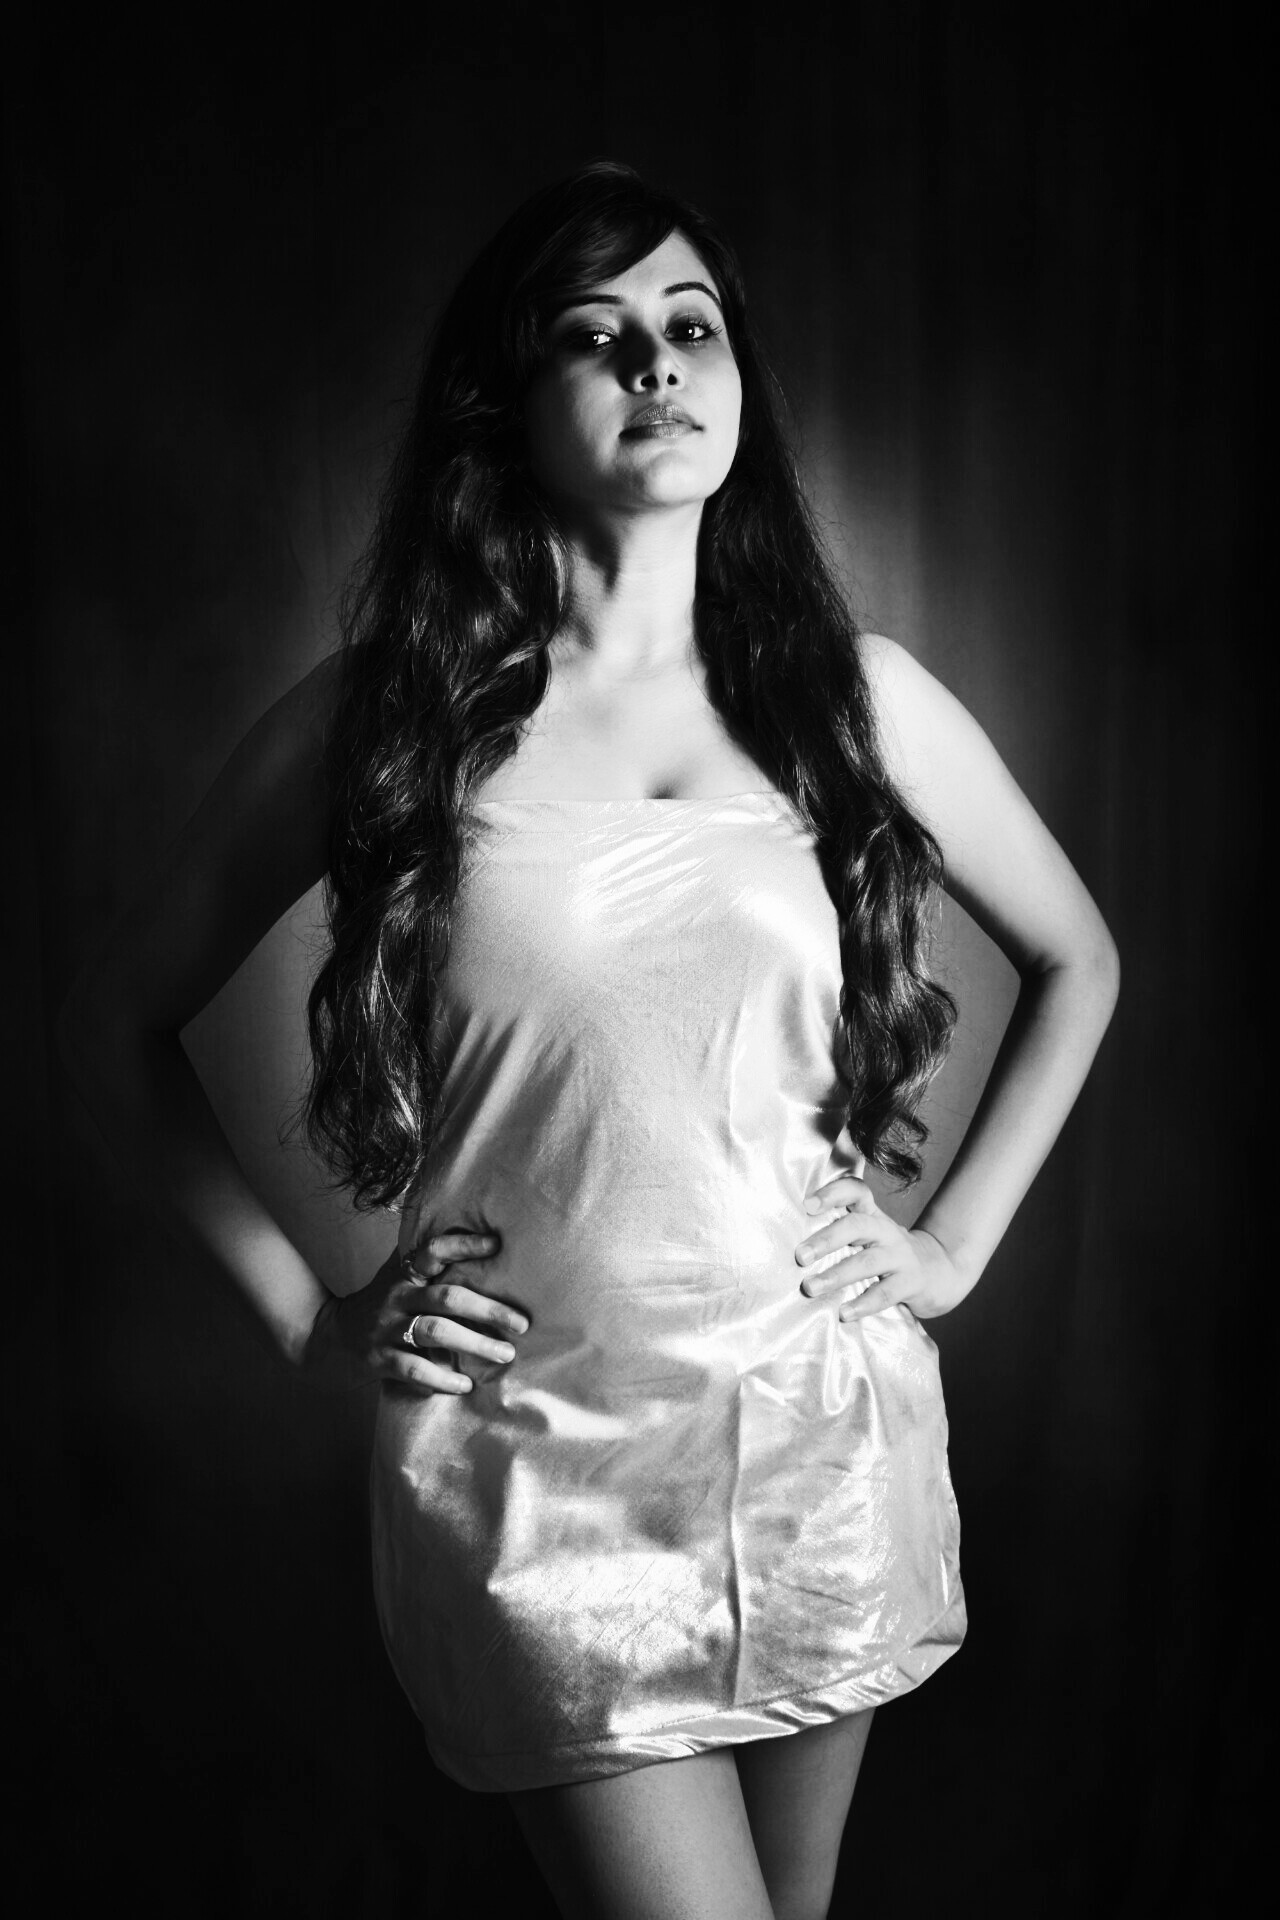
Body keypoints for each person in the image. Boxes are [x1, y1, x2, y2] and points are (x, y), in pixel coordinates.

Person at [58, 161, 1120, 1920]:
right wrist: (308, 1312)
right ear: (506, 397)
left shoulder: (853, 696)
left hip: (813, 1443)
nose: (658, 363)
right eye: (595, 333)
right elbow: (111, 1025)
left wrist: (950, 1249)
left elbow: (1080, 956)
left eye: (692, 326)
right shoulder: (388, 719)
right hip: (536, 1478)